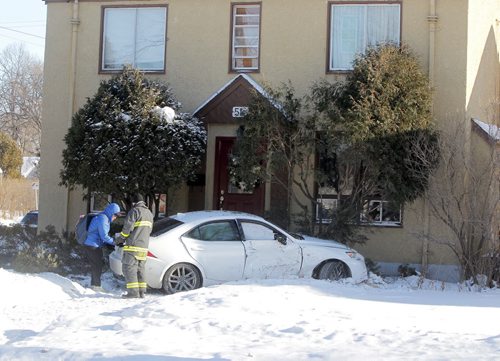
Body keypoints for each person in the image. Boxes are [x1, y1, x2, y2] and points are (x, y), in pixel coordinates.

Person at [115, 194, 154, 298]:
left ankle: (133, 293)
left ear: (134, 203)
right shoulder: (149, 213)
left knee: (129, 268)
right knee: (140, 270)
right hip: (144, 247)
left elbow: (127, 229)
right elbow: (149, 230)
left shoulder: (134, 211)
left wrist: (120, 240)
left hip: (133, 247)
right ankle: (141, 292)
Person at [83, 202, 121, 291]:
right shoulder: (103, 219)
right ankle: (96, 286)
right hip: (93, 245)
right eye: (115, 215)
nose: (115, 218)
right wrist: (115, 242)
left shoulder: (104, 217)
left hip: (93, 244)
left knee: (96, 265)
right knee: (97, 266)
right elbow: (104, 236)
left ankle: (94, 285)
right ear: (111, 213)